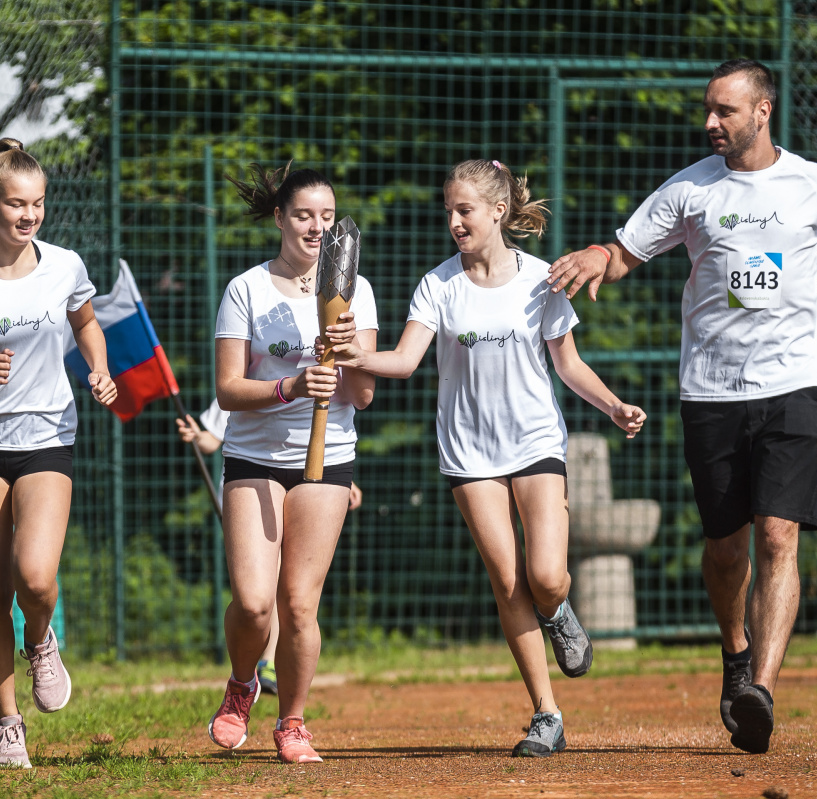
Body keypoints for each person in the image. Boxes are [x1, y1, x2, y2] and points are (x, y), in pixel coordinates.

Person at [546, 59, 817, 754]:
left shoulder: (814, 185)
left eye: (724, 110)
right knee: (726, 548)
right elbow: (624, 252)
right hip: (711, 390)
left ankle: (760, 688)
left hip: (796, 384)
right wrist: (595, 255)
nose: (711, 122)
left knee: (779, 536)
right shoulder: (692, 188)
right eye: (708, 109)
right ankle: (736, 653)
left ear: (763, 111)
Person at [326, 159, 645, 758]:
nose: (454, 220)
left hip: (536, 442)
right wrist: (352, 356)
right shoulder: (438, 285)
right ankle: (547, 714)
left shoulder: (542, 280)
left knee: (545, 577)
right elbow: (404, 361)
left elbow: (569, 365)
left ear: (499, 211)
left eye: (465, 209)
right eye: (448, 210)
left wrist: (614, 406)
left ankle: (558, 610)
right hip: (469, 453)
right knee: (507, 580)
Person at [0, 138, 118, 768]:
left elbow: (86, 323)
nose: (29, 214)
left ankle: (40, 639)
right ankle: (8, 723)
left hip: (46, 436)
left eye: (37, 203)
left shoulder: (64, 266)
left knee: (34, 577)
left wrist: (98, 369)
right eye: (16, 204)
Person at [205, 162, 377, 764]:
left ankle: (293, 722)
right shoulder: (246, 290)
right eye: (304, 215)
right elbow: (228, 390)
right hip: (253, 456)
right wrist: (291, 387)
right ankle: (241, 683)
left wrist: (350, 350)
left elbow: (363, 396)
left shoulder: (354, 291)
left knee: (299, 604)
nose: (316, 227)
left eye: (326, 217)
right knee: (255, 603)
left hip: (327, 461)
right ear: (280, 217)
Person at [177, 399, 364, 695]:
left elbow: (319, 438)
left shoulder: (317, 384)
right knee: (260, 592)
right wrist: (197, 436)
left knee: (290, 588)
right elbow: (211, 439)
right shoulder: (243, 382)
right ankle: (254, 667)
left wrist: (342, 482)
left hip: (305, 485)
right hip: (250, 491)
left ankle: (267, 662)